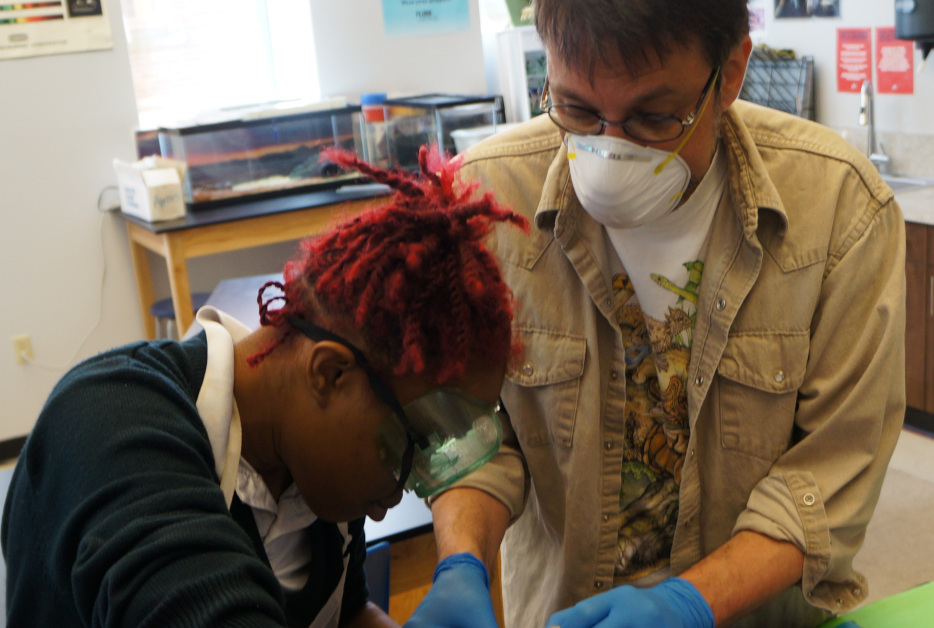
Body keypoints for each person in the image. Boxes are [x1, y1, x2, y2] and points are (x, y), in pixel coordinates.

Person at [404, 1, 906, 627]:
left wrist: (691, 603)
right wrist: (462, 562)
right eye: (578, 109)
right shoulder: (486, 204)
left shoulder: (839, 210)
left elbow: (836, 469)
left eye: (654, 117)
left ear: (728, 74)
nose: (610, 151)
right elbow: (478, 439)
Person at [1, 146, 528, 628]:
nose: (408, 486)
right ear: (329, 373)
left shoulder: (313, 471)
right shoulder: (111, 427)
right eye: (407, 446)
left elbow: (344, 616)